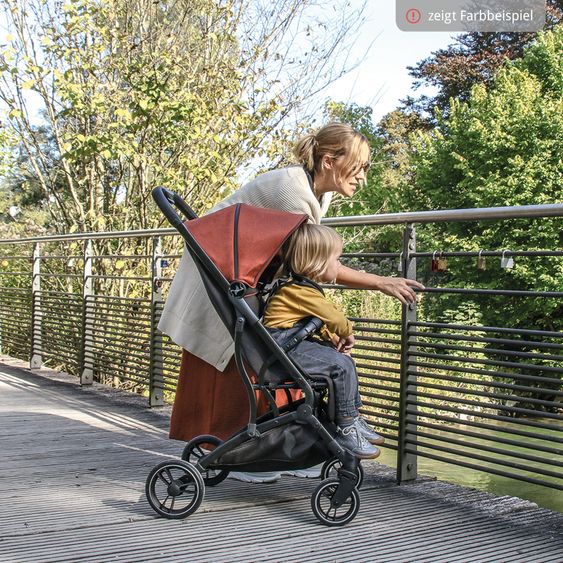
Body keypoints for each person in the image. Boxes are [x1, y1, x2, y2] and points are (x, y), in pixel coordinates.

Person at [158, 122, 424, 480]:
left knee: (267, 357)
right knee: (249, 364)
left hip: (242, 285)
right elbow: (314, 266)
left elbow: (310, 266)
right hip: (223, 286)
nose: (362, 178)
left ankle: (284, 452)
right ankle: (250, 456)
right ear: (329, 160)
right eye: (358, 167)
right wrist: (377, 284)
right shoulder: (292, 193)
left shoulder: (312, 189)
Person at [264, 223, 384, 458]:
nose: (339, 266)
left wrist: (330, 337)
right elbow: (332, 315)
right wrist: (347, 331)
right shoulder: (298, 291)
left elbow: (311, 320)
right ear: (316, 263)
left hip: (289, 343)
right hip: (283, 347)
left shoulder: (299, 288)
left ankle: (352, 417)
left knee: (343, 362)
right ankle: (347, 426)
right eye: (337, 260)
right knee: (340, 366)